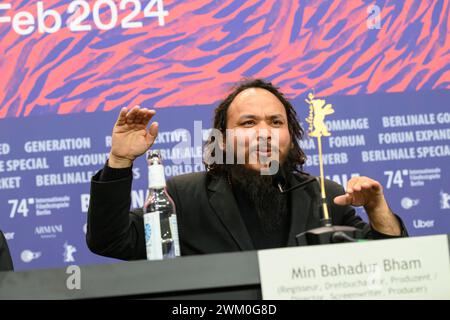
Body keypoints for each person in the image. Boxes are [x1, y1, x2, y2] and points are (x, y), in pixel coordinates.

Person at [86, 79, 407, 260]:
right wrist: (120, 161)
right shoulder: (183, 196)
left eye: (276, 122)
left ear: (290, 136)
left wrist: (378, 209)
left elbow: (391, 263)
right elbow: (110, 241)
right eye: (248, 122)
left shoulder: (326, 196)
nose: (263, 132)